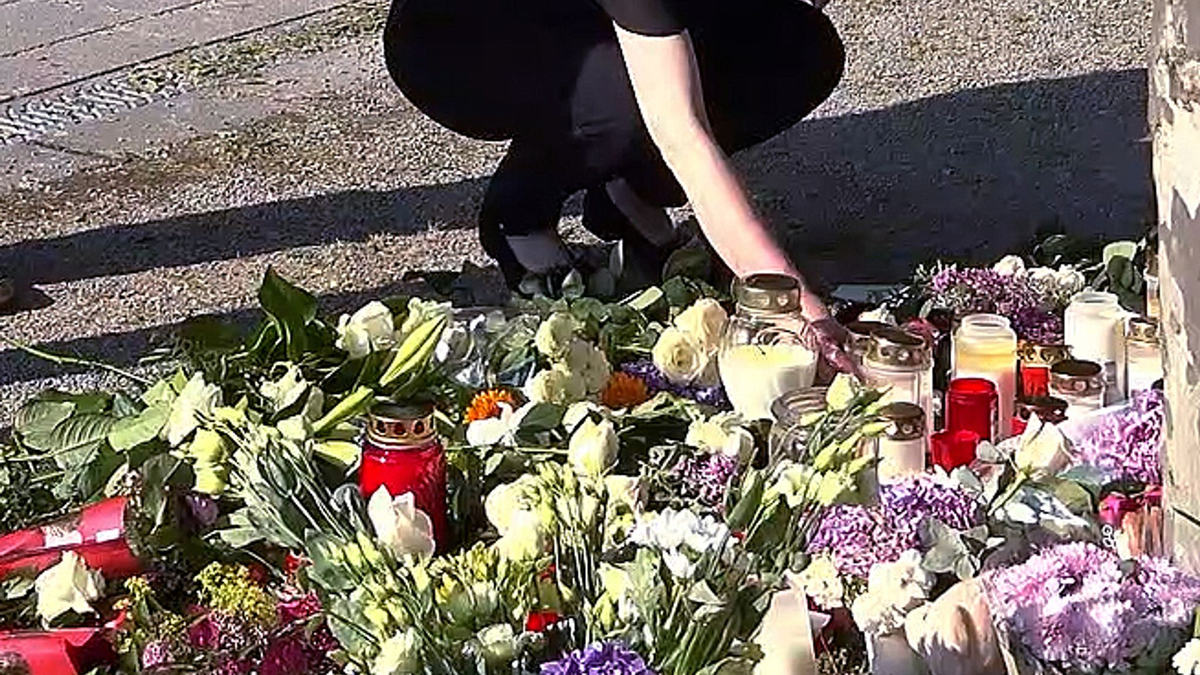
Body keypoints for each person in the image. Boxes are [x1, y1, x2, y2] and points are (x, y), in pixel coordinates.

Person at [383, 0, 855, 369]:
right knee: (629, 91)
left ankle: (627, 187)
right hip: (463, 36)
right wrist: (797, 309)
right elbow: (680, 132)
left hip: (582, 18)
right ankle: (520, 215)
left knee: (798, 47)